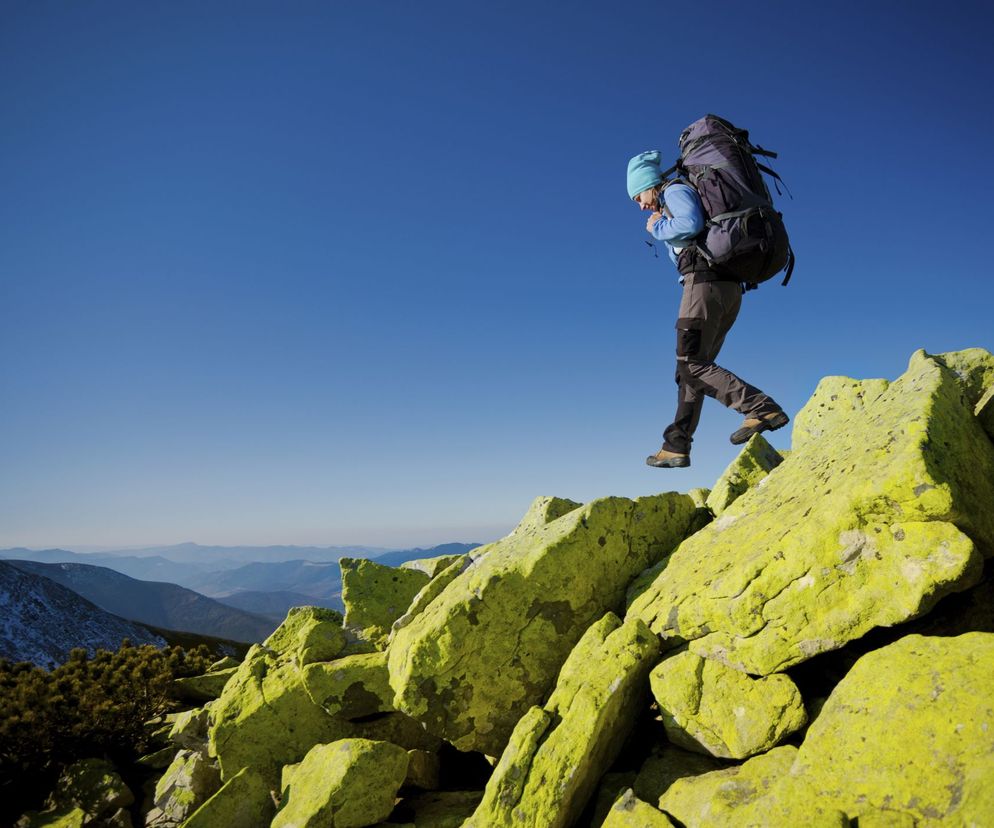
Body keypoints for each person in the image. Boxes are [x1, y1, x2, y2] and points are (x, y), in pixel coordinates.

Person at [627, 150, 788, 469]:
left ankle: (760, 407)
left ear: (651, 184)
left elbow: (689, 224)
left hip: (704, 286)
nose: (641, 205)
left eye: (639, 195)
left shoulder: (674, 190)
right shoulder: (677, 193)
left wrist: (657, 228)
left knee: (692, 365)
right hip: (725, 289)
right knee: (690, 369)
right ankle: (676, 445)